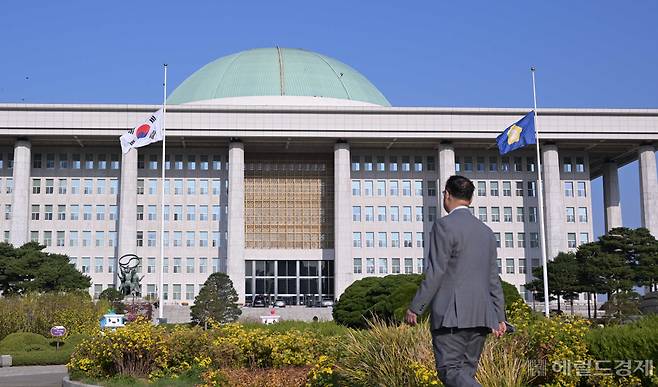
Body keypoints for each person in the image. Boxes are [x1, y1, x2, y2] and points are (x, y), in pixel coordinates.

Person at [405, 175, 506, 387]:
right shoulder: (486, 232)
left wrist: (416, 306)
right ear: (470, 199)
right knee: (465, 375)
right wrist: (499, 316)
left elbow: (436, 271)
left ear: (447, 195)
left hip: (452, 317)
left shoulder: (444, 226)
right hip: (481, 315)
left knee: (449, 370)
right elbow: (492, 278)